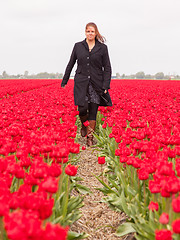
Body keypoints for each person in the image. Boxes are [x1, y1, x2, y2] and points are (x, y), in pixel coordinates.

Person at [61, 22, 112, 146]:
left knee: (93, 110)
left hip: (96, 83)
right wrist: (65, 79)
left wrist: (105, 85)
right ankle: (84, 125)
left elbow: (107, 67)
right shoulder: (78, 46)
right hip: (81, 83)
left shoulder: (102, 48)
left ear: (96, 33)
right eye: (88, 31)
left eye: (92, 31)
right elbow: (71, 63)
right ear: (85, 32)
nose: (90, 33)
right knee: (82, 109)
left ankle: (90, 138)